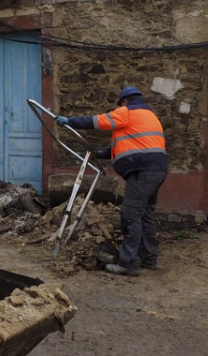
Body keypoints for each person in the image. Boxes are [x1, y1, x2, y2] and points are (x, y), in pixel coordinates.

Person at [55, 86, 167, 276]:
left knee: (131, 214)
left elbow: (97, 121)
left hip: (142, 171)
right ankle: (149, 259)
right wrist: (100, 153)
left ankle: (129, 263)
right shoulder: (148, 116)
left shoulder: (127, 111)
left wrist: (70, 122)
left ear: (124, 101)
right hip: (157, 171)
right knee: (145, 215)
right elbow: (123, 145)